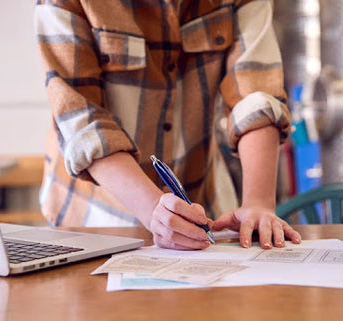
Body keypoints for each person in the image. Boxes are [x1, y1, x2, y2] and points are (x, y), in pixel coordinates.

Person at [34, 0, 301, 250]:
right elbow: (82, 120)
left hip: (203, 202)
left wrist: (258, 202)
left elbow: (255, 94)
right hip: (96, 220)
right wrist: (153, 209)